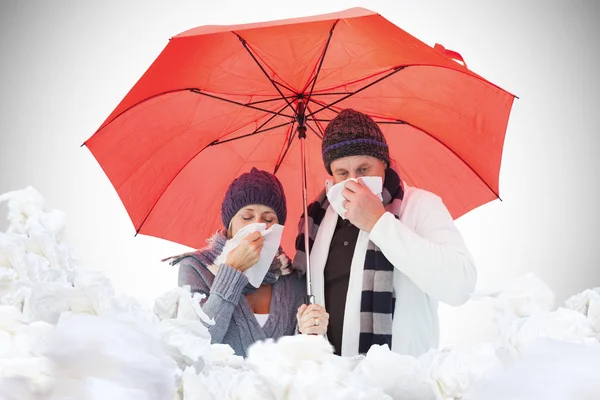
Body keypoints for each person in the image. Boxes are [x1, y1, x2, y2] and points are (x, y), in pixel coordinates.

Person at [294, 109, 477, 357]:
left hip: (397, 385)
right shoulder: (314, 220)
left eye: (363, 169)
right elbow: (300, 304)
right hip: (333, 384)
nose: (354, 181)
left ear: (384, 163)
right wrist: (305, 327)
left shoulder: (420, 206)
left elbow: (460, 285)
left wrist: (379, 223)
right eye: (342, 173)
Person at [166, 168, 307, 357]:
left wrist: (310, 332)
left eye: (268, 219)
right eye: (247, 217)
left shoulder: (293, 280)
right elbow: (197, 345)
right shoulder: (196, 268)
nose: (257, 226)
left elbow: (301, 357)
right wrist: (233, 270)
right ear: (230, 224)